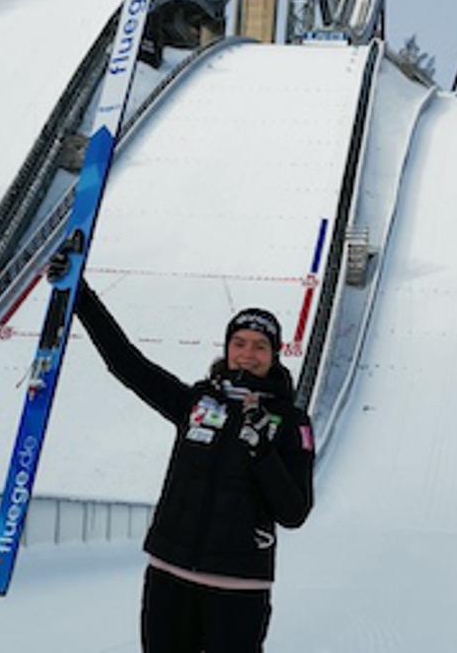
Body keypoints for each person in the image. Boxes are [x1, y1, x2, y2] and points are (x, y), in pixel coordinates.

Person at [50, 256, 315, 653]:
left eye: (260, 347)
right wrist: (80, 296)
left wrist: (261, 449)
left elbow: (294, 513)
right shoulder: (198, 402)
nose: (247, 354)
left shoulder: (292, 423)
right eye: (239, 343)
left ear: (275, 355)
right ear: (226, 348)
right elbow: (129, 366)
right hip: (168, 577)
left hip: (238, 588)